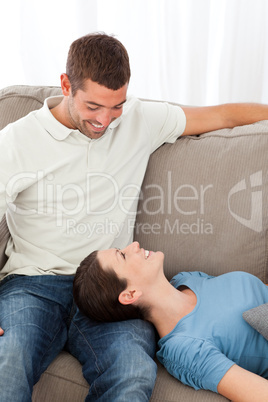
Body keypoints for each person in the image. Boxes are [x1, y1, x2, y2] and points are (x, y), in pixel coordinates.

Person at [1, 32, 268, 401]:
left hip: (110, 290)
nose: (105, 120)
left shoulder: (141, 119)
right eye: (93, 106)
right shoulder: (17, 141)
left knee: (131, 372)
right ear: (66, 85)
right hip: (34, 284)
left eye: (117, 106)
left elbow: (222, 115)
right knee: (8, 361)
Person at [73, 241, 268, 402]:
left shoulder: (187, 279)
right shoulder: (183, 348)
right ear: (130, 294)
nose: (134, 245)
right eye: (123, 255)